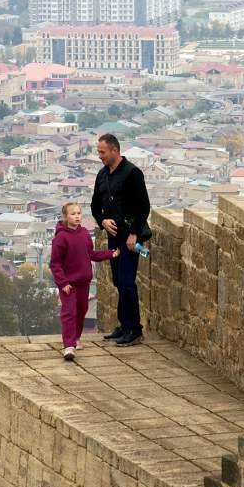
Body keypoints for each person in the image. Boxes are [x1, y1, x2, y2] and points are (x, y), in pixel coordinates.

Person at [91, 133, 151, 346]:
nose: (99, 156)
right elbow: (95, 206)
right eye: (99, 152)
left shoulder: (133, 174)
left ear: (115, 151)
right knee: (118, 280)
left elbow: (144, 206)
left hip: (130, 238)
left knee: (127, 282)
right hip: (114, 237)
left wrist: (134, 233)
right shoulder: (102, 175)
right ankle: (124, 325)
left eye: (102, 152)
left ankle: (135, 329)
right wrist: (102, 222)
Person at [48, 202, 118, 361]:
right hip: (68, 285)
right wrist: (63, 283)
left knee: (81, 312)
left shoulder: (85, 234)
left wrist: (111, 254)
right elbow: (55, 264)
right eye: (73, 214)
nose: (77, 216)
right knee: (69, 313)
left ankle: (76, 338)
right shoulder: (60, 238)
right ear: (65, 217)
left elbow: (91, 254)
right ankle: (68, 346)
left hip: (83, 283)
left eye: (79, 213)